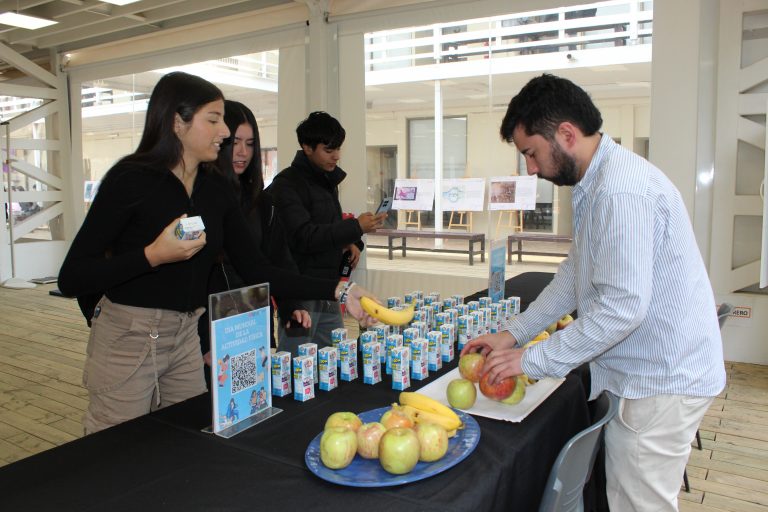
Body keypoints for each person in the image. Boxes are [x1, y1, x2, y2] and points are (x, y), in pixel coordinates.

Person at [461, 74, 726, 512]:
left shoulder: (620, 191)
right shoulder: (597, 183)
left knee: (637, 505)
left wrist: (530, 359)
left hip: (659, 379)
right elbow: (574, 275)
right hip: (647, 370)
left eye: (531, 153)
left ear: (567, 134)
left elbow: (622, 310)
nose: (530, 169)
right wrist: (513, 334)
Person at [57, 72, 375, 434]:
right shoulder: (131, 180)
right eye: (213, 120)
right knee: (117, 450)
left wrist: (340, 290)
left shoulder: (216, 190)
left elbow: (258, 268)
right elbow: (72, 277)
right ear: (178, 123)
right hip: (128, 337)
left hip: (185, 337)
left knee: (189, 443)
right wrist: (152, 255)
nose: (224, 131)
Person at [198, 100, 310, 380]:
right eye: (235, 142)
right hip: (205, 331)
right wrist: (201, 336)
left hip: (250, 325)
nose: (242, 152)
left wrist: (291, 305)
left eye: (250, 144)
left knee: (250, 397)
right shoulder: (197, 197)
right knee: (205, 401)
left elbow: (277, 260)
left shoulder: (262, 203)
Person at [269, 111, 387, 356]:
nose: (336, 156)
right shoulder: (287, 185)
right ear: (307, 147)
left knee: (333, 358)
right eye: (328, 149)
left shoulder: (325, 181)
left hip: (328, 286)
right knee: (297, 361)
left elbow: (327, 227)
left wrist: (350, 243)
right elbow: (304, 237)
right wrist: (355, 227)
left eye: (338, 148)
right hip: (301, 290)